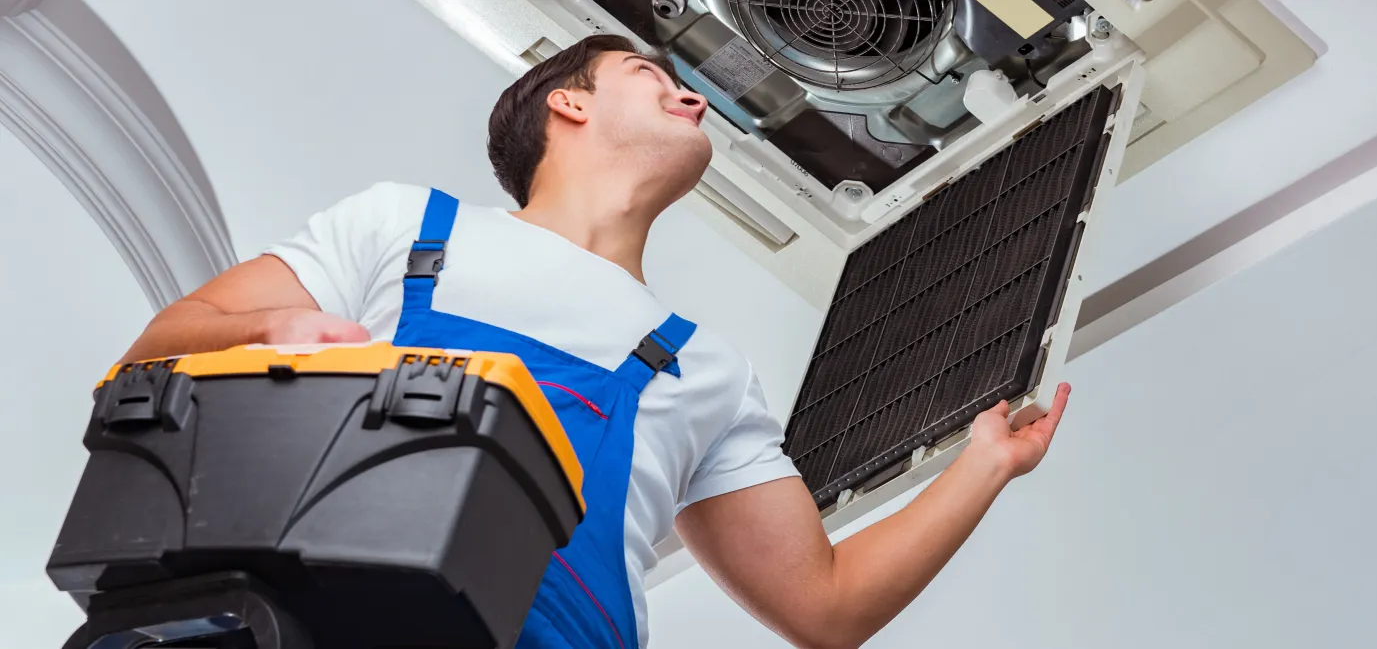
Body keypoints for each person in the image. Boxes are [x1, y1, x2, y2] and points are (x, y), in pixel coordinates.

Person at [119, 33, 1071, 649]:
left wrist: (984, 465)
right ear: (566, 106)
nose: (697, 100)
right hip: (307, 620)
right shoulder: (408, 229)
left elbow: (824, 607)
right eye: (652, 77)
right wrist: (276, 330)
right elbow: (155, 352)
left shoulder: (703, 369)